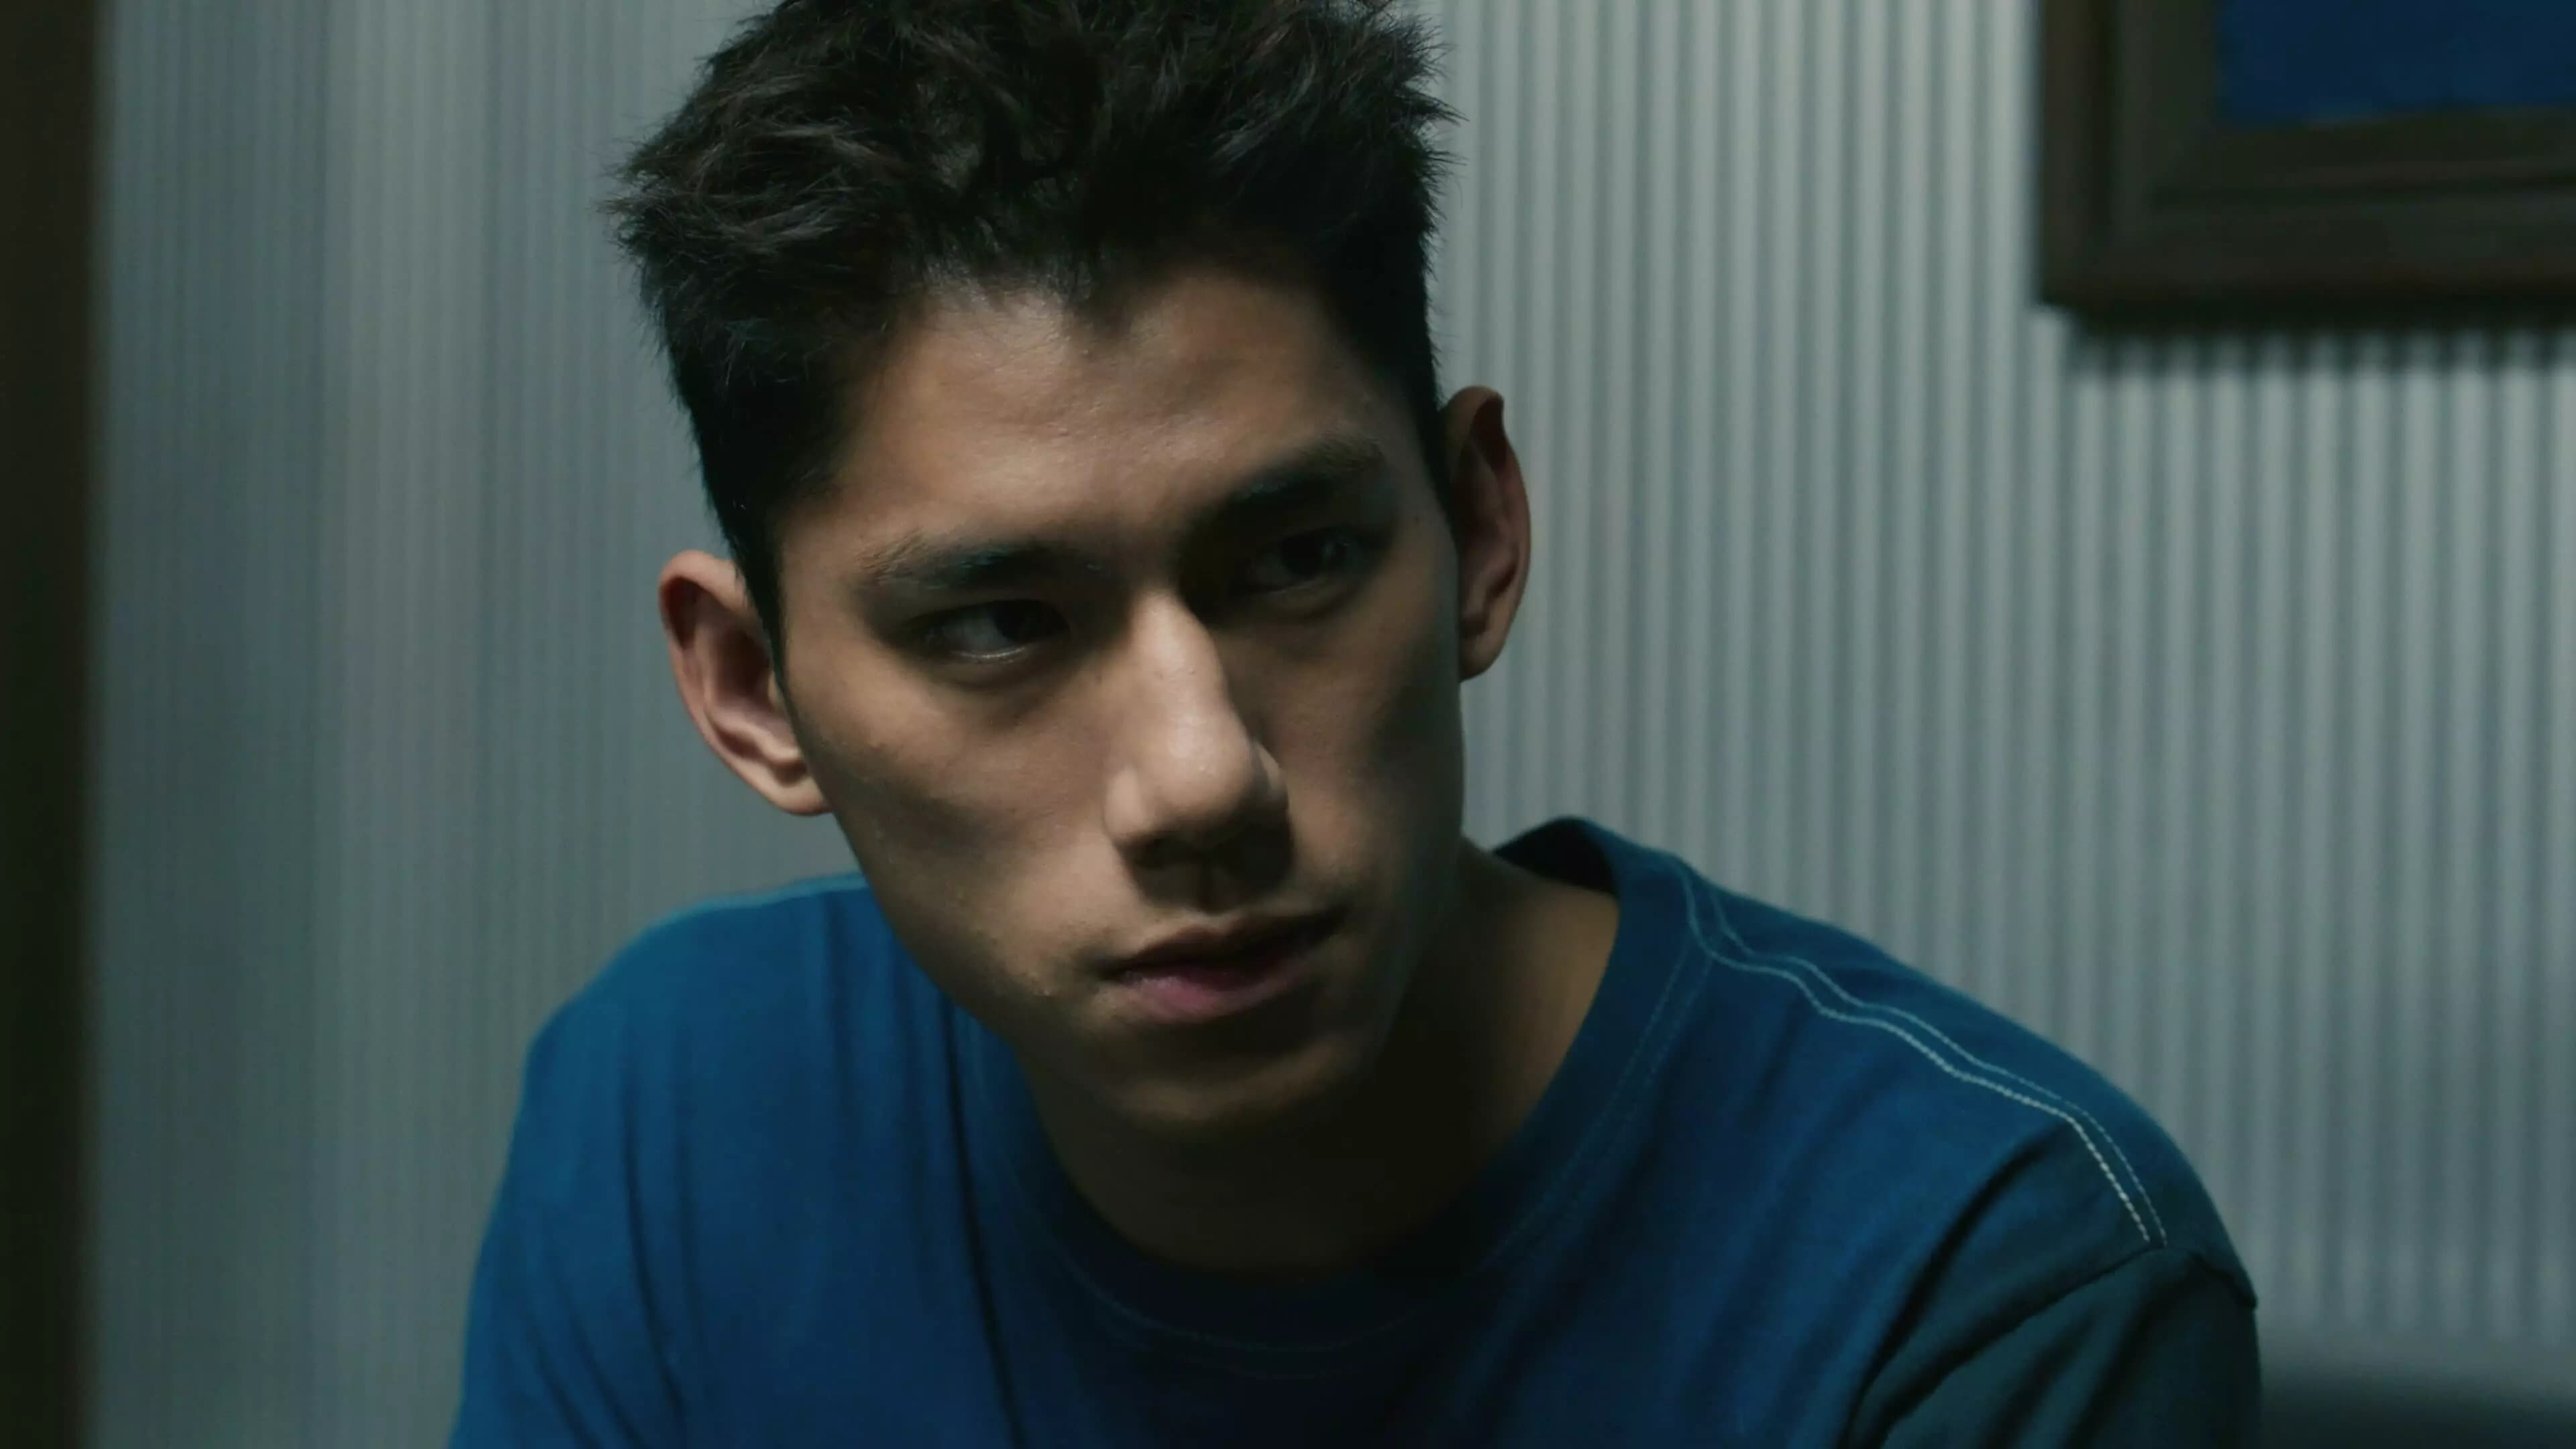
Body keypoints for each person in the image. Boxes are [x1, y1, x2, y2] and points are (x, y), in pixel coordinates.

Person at [451, 1, 2259, 1443]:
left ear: (1479, 532)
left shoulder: (1978, 1276)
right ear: (754, 691)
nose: (1200, 777)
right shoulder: (673, 1118)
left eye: (1298, 558)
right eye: (1001, 626)